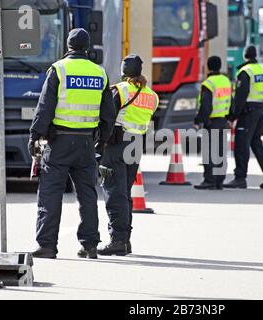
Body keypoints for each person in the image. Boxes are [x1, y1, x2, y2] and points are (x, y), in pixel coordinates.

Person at [28, 28, 117, 259]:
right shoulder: (100, 73)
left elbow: (45, 107)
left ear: (67, 46)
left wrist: (34, 136)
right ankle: (90, 245)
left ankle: (47, 246)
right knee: (87, 194)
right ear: (88, 48)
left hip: (59, 143)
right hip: (86, 143)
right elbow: (109, 113)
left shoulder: (59, 69)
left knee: (50, 193)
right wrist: (102, 140)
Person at [97, 54, 159, 256]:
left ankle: (118, 241)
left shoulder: (120, 91)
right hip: (136, 144)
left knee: (114, 192)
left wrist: (99, 144)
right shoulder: (152, 95)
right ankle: (126, 240)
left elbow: (107, 119)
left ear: (123, 71)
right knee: (125, 192)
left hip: (116, 144)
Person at [224, 46, 263, 189]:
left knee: (241, 145)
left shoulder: (245, 72)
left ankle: (240, 178)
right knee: (256, 144)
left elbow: (241, 96)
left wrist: (233, 115)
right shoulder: (262, 70)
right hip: (260, 110)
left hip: (248, 112)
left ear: (244, 56)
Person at [194, 56, 231, 190]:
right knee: (221, 151)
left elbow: (206, 106)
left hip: (212, 121)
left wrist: (199, 120)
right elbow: (230, 100)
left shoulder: (208, 83)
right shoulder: (226, 81)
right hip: (223, 120)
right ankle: (219, 180)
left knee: (209, 151)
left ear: (208, 67)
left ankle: (209, 180)